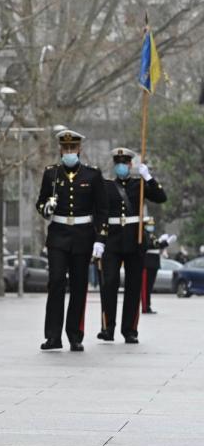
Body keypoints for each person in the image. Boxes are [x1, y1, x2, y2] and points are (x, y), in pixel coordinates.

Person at [35, 129, 108, 352]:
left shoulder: (93, 175)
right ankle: (53, 337)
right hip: (58, 235)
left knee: (79, 286)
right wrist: (45, 208)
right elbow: (40, 203)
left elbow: (102, 210)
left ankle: (75, 335)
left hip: (83, 236)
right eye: (65, 148)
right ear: (60, 150)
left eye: (72, 148)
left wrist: (100, 238)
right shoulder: (51, 174)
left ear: (79, 150)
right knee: (56, 282)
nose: (69, 152)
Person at [98, 148, 166, 344]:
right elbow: (101, 213)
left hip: (134, 241)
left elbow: (161, 197)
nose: (121, 166)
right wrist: (99, 240)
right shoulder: (106, 186)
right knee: (108, 283)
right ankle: (107, 328)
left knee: (133, 287)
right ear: (115, 165)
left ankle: (129, 330)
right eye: (118, 163)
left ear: (130, 165)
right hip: (112, 240)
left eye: (125, 163)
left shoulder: (140, 185)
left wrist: (149, 177)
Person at [143, 218, 173, 315]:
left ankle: (148, 305)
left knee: (149, 287)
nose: (151, 226)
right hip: (147, 264)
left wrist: (163, 242)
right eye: (149, 224)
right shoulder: (144, 233)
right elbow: (150, 245)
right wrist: (165, 242)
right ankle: (145, 306)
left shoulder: (151, 234)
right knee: (145, 287)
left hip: (153, 263)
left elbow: (156, 245)